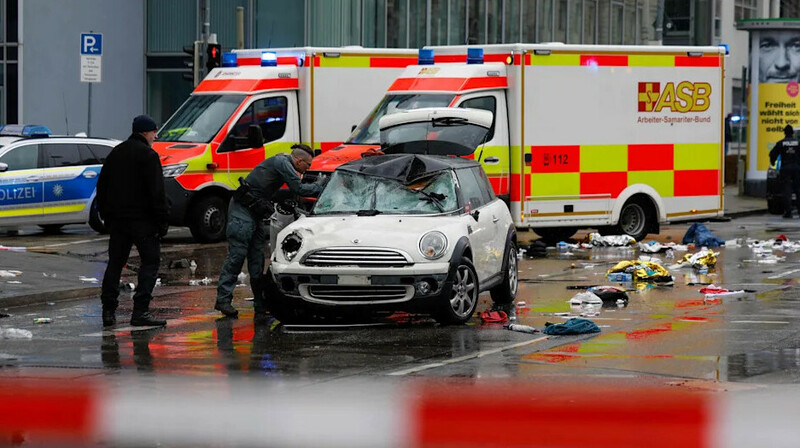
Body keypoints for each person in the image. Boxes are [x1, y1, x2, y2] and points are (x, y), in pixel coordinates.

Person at [215, 144, 322, 322]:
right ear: (299, 160)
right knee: (237, 257)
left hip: (253, 213)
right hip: (241, 212)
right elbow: (300, 189)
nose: (308, 168)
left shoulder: (283, 162)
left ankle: (260, 305)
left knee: (257, 260)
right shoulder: (283, 162)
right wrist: (321, 185)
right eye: (308, 165)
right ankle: (223, 300)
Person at [97, 115, 169, 327]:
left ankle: (108, 312)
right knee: (150, 263)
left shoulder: (116, 153)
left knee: (115, 264)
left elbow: (102, 187)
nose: (156, 136)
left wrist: (106, 216)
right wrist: (162, 222)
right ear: (145, 132)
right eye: (154, 131)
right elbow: (157, 192)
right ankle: (140, 312)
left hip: (118, 222)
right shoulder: (148, 155)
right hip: (144, 222)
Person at [769, 124, 800, 218]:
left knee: (787, 191)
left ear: (785, 133)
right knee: (798, 190)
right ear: (792, 133)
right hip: (797, 169)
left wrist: (773, 162)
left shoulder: (781, 143)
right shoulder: (798, 143)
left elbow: (772, 153)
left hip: (785, 169)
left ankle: (788, 212)